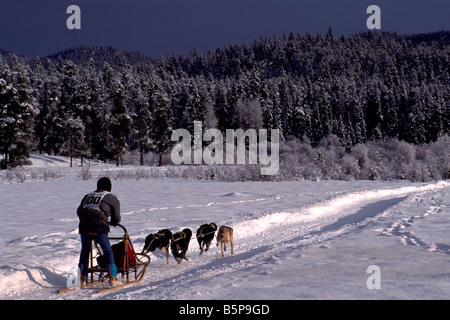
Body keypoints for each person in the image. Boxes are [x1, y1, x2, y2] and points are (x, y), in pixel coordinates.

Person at [77, 177, 123, 287]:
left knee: (85, 251)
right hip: (99, 225)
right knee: (107, 251)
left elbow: (79, 211)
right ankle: (113, 277)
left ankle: (81, 277)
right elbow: (116, 217)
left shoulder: (88, 195)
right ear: (109, 187)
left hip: (84, 225)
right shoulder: (111, 197)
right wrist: (113, 222)